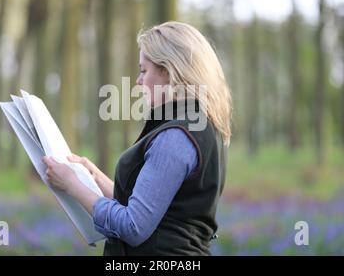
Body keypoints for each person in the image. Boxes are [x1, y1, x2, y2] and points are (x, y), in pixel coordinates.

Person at [43, 21, 232, 255]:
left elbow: (133, 226)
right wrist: (95, 179)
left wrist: (72, 185)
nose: (138, 81)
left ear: (169, 71)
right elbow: (153, 208)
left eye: (143, 70)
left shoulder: (176, 136)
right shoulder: (199, 124)